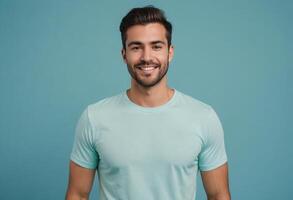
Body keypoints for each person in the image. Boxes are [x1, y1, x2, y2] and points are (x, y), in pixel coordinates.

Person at [65, 5, 231, 200]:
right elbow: (77, 194)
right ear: (123, 54)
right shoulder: (94, 118)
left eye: (156, 46)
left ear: (170, 52)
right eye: (136, 47)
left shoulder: (203, 117)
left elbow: (219, 194)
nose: (146, 57)